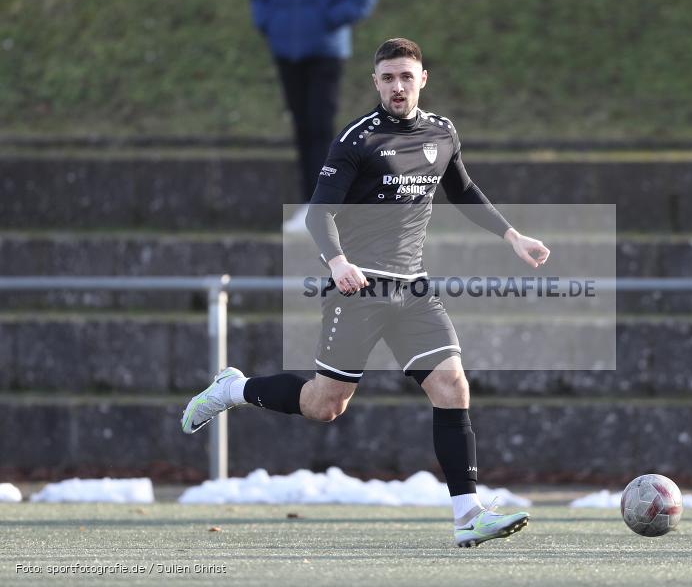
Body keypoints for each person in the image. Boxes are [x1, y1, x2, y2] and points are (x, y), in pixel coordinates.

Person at [181, 38, 550, 548]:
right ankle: (233, 389)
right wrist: (338, 262)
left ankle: (468, 514)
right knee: (324, 405)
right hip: (357, 288)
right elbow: (319, 212)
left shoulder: (442, 132)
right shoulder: (358, 141)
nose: (397, 86)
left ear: (423, 79)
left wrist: (512, 235)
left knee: (452, 386)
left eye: (406, 76)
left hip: (413, 288)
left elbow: (462, 190)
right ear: (375, 83)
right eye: (387, 78)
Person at [250, 0, 379, 231]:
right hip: (286, 47)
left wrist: (328, 19)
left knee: (320, 127)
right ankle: (310, 201)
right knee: (302, 128)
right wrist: (268, 21)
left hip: (325, 47)